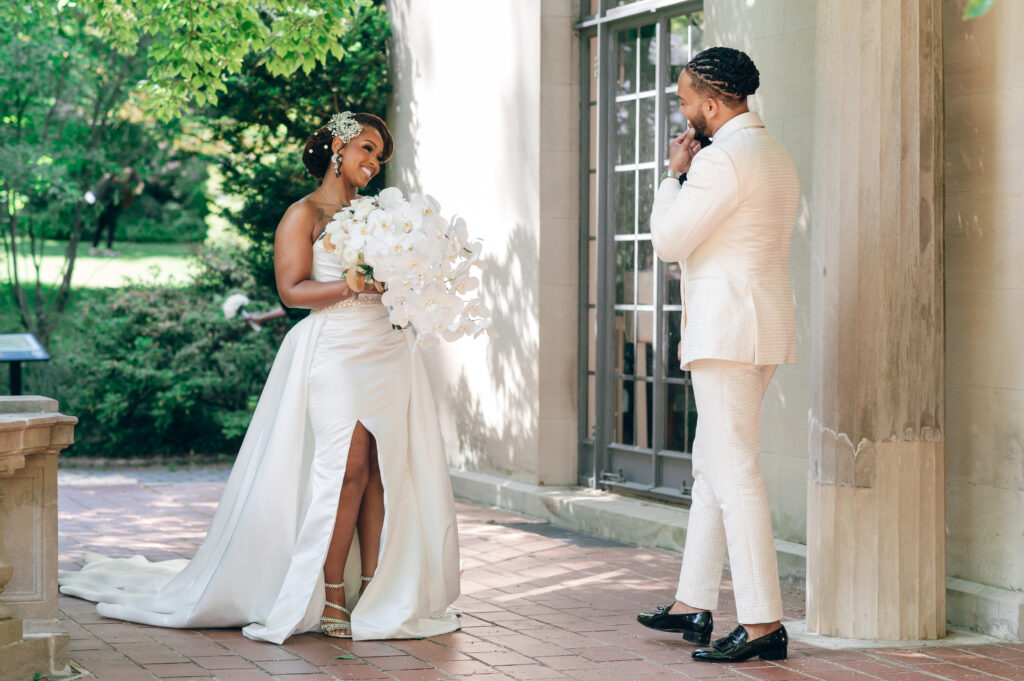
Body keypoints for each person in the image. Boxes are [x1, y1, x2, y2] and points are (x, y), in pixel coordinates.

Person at [59, 112, 462, 643]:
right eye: (367, 148)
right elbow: (292, 293)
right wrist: (351, 282)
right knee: (345, 471)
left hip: (388, 349)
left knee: (384, 472)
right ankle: (331, 595)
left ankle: (374, 590)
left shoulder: (376, 214)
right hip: (336, 351)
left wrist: (413, 278)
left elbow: (392, 285)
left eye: (380, 156)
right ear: (338, 147)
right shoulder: (304, 214)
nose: (373, 162)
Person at [637, 47, 799, 663]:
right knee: (713, 462)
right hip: (760, 324)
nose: (682, 112)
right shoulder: (773, 152)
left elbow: (669, 241)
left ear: (710, 103)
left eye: (683, 101)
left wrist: (673, 176)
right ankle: (693, 604)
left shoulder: (722, 160)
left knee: (733, 471)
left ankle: (762, 624)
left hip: (727, 330)